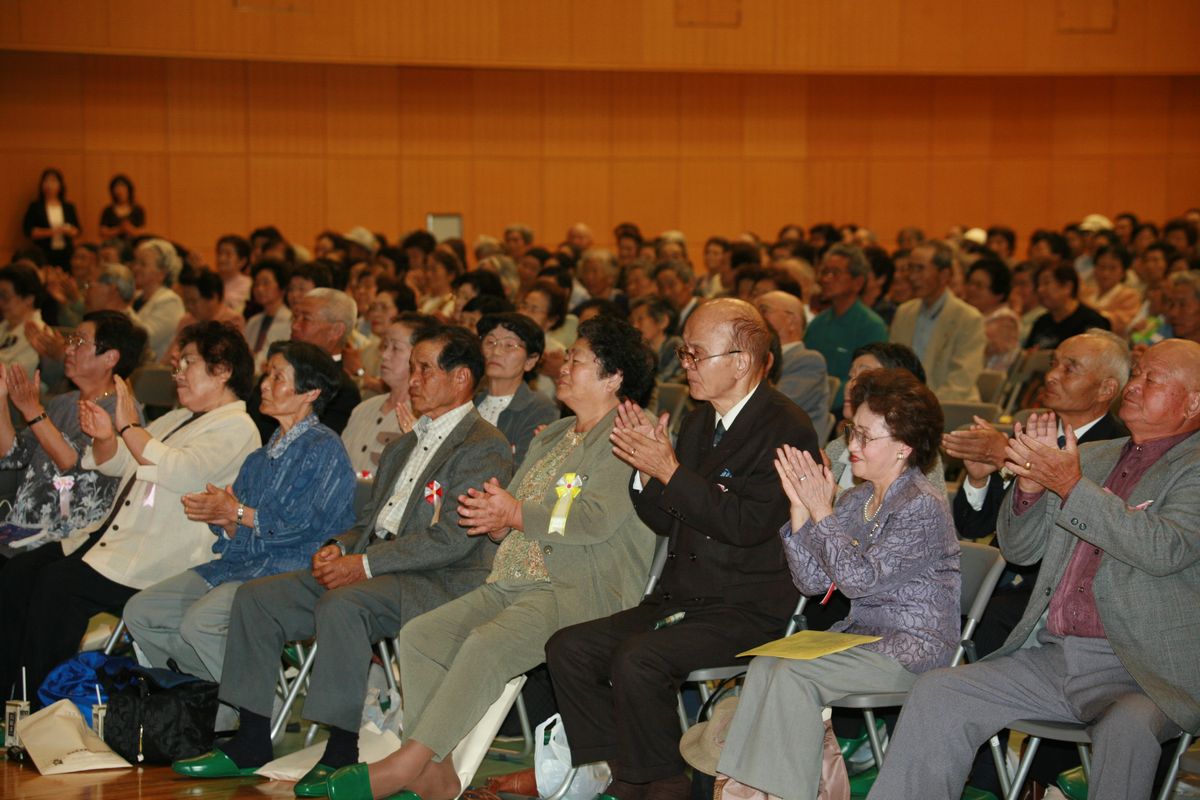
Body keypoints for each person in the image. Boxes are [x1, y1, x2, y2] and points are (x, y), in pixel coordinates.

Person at [320, 316, 659, 800]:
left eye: (577, 361)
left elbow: (594, 520)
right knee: (422, 636)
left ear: (614, 377)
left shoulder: (628, 434)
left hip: (579, 589)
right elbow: (517, 512)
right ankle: (437, 774)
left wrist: (516, 513)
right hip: (514, 581)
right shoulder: (555, 434)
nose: (562, 367)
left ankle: (409, 762)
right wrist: (498, 520)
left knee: (484, 643)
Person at [173, 326, 513, 788]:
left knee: (343, 605)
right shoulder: (403, 445)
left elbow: (455, 539)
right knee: (256, 599)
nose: (412, 379)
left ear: (461, 379)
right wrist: (339, 547)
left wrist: (365, 563)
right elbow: (370, 521)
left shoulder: (482, 444)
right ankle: (250, 739)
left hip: (440, 579)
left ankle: (339, 751)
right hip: (376, 567)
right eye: (411, 367)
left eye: (424, 369)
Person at [868, 338, 1200, 800]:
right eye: (1137, 373)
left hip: (1142, 669)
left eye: (1151, 379)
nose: (1135, 385)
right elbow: (1022, 551)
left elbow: (1164, 547)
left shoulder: (1193, 467)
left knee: (1129, 729)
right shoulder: (1097, 458)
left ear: (1193, 402)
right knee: (939, 691)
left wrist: (1069, 485)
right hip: (1056, 653)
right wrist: (1028, 488)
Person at [544, 298, 820, 799]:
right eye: (684, 352)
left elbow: (748, 523)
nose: (685, 365)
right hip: (682, 597)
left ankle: (662, 784)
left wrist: (669, 470)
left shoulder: (786, 426)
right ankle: (620, 770)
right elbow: (664, 520)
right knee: (570, 647)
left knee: (638, 659)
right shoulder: (699, 421)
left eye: (696, 355)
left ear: (740, 361)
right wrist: (644, 471)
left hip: (746, 605)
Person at [717, 369, 960, 799]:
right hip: (860, 641)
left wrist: (821, 512)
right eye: (853, 432)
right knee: (764, 666)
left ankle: (781, 794)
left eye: (866, 437)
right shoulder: (857, 499)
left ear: (904, 447)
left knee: (793, 676)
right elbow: (812, 582)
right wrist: (799, 509)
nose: (851, 446)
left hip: (912, 648)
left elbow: (858, 582)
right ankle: (746, 791)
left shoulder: (922, 505)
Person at [0, 321, 260, 706]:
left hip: (162, 554)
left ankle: (42, 707)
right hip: (115, 536)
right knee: (19, 574)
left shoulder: (238, 427)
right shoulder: (178, 417)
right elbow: (123, 461)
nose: (178, 374)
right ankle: (9, 697)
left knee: (57, 588)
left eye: (188, 363)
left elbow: (180, 470)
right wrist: (107, 437)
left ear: (222, 371)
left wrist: (126, 425)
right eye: (177, 364)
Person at [123, 341, 355, 683]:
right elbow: (239, 533)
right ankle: (203, 695)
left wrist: (239, 512)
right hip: (240, 567)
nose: (264, 384)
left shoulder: (325, 449)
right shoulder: (259, 459)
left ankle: (254, 713)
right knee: (141, 612)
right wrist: (227, 522)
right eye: (267, 374)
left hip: (299, 573)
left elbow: (302, 528)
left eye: (278, 377)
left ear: (310, 393)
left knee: (201, 622)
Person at [0, 312, 148, 545]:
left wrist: (32, 411)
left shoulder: (122, 411)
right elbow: (16, 455)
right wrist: (1, 399)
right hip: (25, 522)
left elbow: (74, 463)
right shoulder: (64, 402)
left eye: (79, 342)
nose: (68, 350)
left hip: (70, 534)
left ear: (110, 358)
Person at [248, 288, 361, 440]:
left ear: (336, 330)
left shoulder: (343, 391)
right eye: (295, 317)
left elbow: (316, 444)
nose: (294, 326)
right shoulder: (278, 367)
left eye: (305, 319)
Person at [890, 240, 986, 401]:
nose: (912, 276)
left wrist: (924, 407)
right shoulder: (904, 312)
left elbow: (961, 381)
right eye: (910, 268)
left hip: (951, 408)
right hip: (905, 408)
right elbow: (892, 366)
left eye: (920, 269)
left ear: (944, 275)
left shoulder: (968, 318)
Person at [341, 314, 435, 476]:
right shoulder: (363, 409)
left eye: (396, 348)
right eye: (385, 346)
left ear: (420, 357)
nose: (384, 355)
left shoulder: (427, 417)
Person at [803, 244, 889, 412]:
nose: (826, 279)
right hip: (813, 407)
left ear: (857, 282)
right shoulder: (817, 323)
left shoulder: (871, 326)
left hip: (850, 411)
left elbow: (871, 381)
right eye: (824, 272)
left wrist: (821, 395)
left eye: (835, 273)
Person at [474, 313, 560, 464]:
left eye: (509, 345)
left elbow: (524, 471)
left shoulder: (539, 409)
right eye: (490, 342)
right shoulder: (469, 402)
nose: (496, 352)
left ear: (530, 361)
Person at [756, 290, 831, 442]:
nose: (753, 316)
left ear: (791, 320)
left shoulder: (808, 361)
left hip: (789, 451)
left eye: (763, 310)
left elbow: (770, 410)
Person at [1024, 263, 1110, 350]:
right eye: (1038, 285)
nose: (1040, 290)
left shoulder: (1091, 321)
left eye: (1046, 283)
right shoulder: (1042, 322)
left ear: (1067, 286)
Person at [130, 238, 186, 362]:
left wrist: (123, 307)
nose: (135, 268)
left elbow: (144, 339)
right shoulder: (135, 296)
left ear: (162, 273)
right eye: (136, 262)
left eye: (143, 264)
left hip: (153, 375)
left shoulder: (170, 301)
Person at [22, 168, 80, 269]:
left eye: (53, 181)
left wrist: (68, 230)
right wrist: (54, 231)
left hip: (65, 251)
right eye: (46, 181)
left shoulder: (68, 207)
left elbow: (77, 230)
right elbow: (29, 231)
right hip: (43, 251)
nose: (49, 184)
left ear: (60, 185)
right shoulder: (35, 206)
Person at [243, 259, 292, 374]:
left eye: (266, 283)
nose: (260, 289)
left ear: (281, 287)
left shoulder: (290, 320)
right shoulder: (253, 321)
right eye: (256, 284)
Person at [0, 262, 49, 377]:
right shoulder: (4, 326)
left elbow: (15, 378)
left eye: (5, 297)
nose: (0, 303)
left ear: (29, 299)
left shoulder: (40, 334)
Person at [629, 295, 683, 383]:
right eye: (632, 321)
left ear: (663, 321)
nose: (634, 326)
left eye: (640, 320)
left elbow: (662, 380)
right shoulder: (636, 349)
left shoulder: (676, 345)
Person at [97, 174, 146, 242]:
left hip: (134, 243)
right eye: (117, 189)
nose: (120, 192)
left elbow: (142, 231)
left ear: (129, 191)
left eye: (123, 189)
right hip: (113, 244)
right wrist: (119, 230)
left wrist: (129, 229)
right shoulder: (108, 210)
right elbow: (102, 232)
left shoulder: (137, 209)